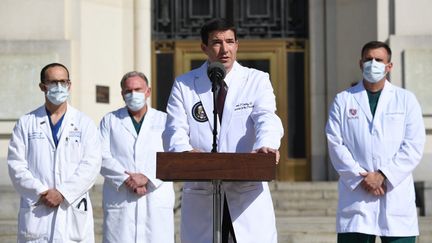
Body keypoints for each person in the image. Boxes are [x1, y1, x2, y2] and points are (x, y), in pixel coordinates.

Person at [162, 18, 284, 243]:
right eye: (217, 42)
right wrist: (184, 152)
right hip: (202, 190)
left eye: (230, 41)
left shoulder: (256, 80)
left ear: (237, 45)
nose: (224, 49)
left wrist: (266, 145)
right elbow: (174, 128)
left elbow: (267, 118)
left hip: (246, 191)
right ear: (204, 48)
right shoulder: (185, 84)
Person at [326, 41, 426, 243]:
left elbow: (413, 145)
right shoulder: (343, 100)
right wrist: (361, 177)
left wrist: (383, 175)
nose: (373, 64)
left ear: (389, 66)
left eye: (379, 60)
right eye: (368, 59)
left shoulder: (406, 99)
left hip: (394, 194)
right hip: (357, 195)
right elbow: (335, 143)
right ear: (360, 64)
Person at [7, 63, 102, 242]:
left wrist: (63, 193)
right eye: (53, 82)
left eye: (63, 82)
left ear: (69, 85)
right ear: (42, 87)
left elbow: (91, 164)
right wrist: (41, 191)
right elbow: (16, 165)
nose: (59, 87)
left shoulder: (84, 123)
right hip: (39, 208)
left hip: (71, 207)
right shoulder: (26, 123)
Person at [99, 71, 175, 243]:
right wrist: (127, 179)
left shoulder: (165, 120)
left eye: (138, 89)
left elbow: (172, 155)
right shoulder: (109, 120)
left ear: (148, 91)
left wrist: (147, 177)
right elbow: (101, 156)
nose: (133, 94)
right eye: (128, 91)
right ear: (122, 94)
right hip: (121, 197)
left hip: (154, 195)